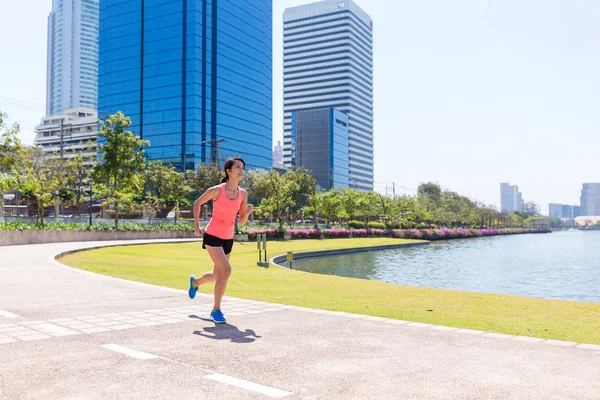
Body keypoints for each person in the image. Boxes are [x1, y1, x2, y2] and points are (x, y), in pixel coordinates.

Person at [188, 157, 253, 324]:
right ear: (228, 171)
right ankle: (216, 310)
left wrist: (246, 214)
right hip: (212, 236)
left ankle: (195, 283)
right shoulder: (216, 190)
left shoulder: (243, 194)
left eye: (243, 168)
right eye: (237, 167)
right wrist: (197, 226)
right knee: (227, 270)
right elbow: (197, 203)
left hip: (228, 238)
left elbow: (242, 220)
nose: (241, 170)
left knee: (218, 275)